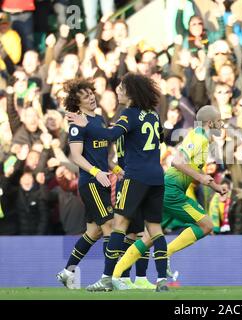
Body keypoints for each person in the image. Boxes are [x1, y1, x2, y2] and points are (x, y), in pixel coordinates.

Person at [66, 73, 169, 292]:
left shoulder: (128, 114)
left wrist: (87, 125)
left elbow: (111, 136)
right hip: (157, 177)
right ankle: (161, 281)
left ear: (131, 93)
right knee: (155, 230)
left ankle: (106, 279)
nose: (117, 91)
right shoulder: (153, 114)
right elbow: (160, 137)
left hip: (136, 177)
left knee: (118, 226)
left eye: (121, 89)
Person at [109, 105, 227, 282]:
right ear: (210, 123)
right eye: (219, 121)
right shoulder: (199, 138)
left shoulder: (199, 137)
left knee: (149, 237)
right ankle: (166, 254)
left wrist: (215, 186)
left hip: (166, 188)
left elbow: (190, 166)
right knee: (206, 225)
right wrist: (201, 179)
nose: (221, 125)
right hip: (172, 190)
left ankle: (114, 275)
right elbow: (177, 162)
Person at [56, 79, 115, 290]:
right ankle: (109, 279)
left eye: (91, 93)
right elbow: (76, 156)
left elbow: (101, 152)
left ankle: (67, 271)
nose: (91, 97)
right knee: (109, 226)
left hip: (103, 180)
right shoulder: (76, 124)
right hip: (90, 182)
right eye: (86, 96)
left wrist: (115, 168)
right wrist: (97, 172)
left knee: (94, 231)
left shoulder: (99, 119)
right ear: (77, 103)